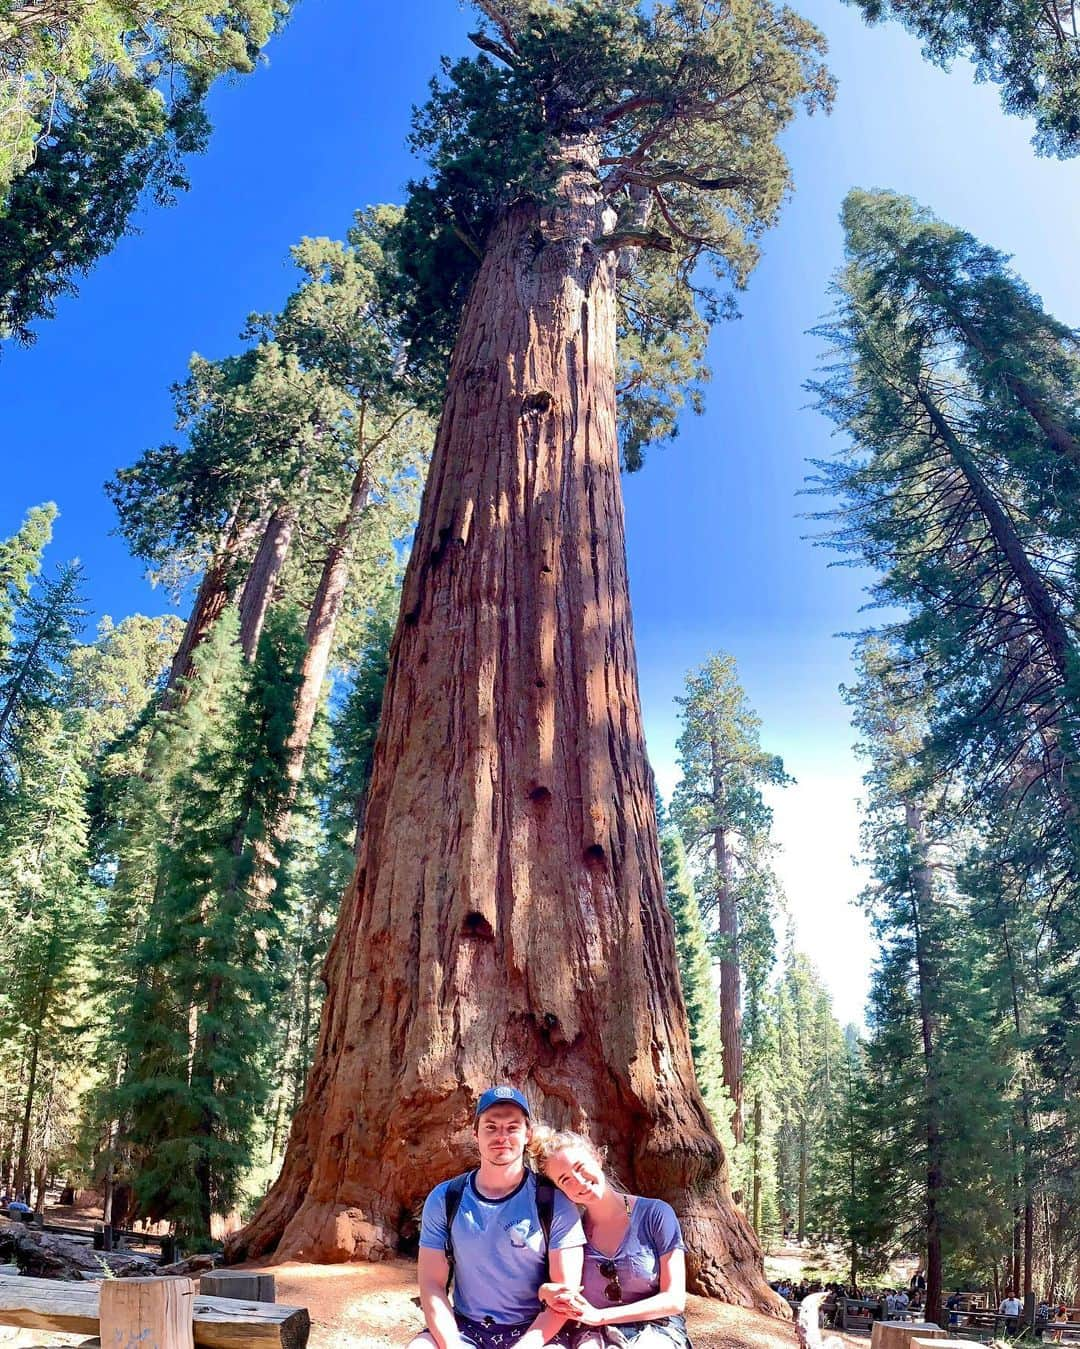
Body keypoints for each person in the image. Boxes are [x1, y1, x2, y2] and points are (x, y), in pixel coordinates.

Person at [411, 1086, 585, 1349]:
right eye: (491, 1127)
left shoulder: (553, 1203)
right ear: (475, 1134)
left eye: (512, 1127)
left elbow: (564, 1296)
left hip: (536, 1331)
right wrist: (453, 1345)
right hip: (464, 1327)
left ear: (528, 1135)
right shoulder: (446, 1198)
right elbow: (432, 1285)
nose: (501, 1136)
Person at [529, 1125, 690, 1348]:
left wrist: (601, 1316)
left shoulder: (655, 1214)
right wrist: (545, 1292)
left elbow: (674, 1300)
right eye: (565, 1180)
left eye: (580, 1167)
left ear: (597, 1158)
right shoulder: (568, 1234)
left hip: (658, 1328)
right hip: (594, 1333)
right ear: (559, 1190)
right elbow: (552, 1289)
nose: (579, 1181)